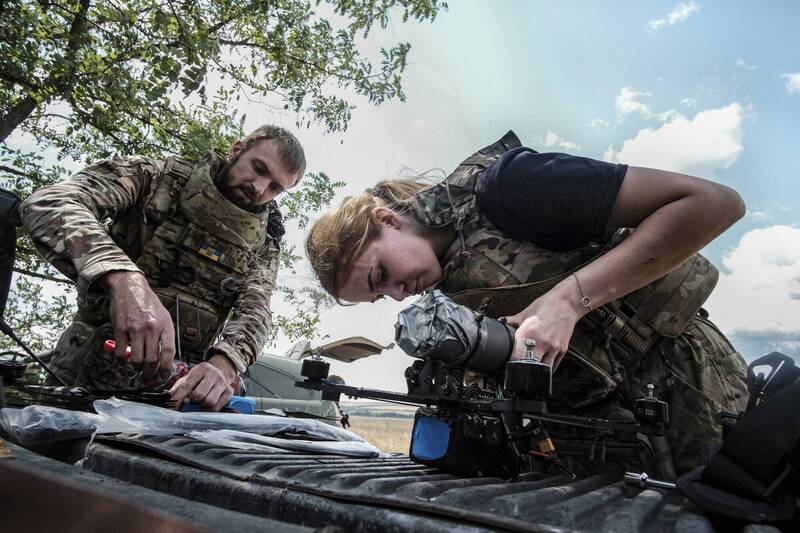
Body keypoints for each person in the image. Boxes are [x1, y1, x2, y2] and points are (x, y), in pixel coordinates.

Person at [305, 131, 749, 475]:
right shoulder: (448, 296)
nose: (398, 293)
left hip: (687, 389)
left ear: (385, 219)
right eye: (380, 295)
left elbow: (713, 203)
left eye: (381, 275)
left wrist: (568, 302)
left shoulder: (510, 188)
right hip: (608, 443)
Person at [21, 125, 305, 411]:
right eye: (258, 168)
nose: (259, 188)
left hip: (174, 396)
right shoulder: (155, 179)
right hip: (82, 377)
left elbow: (256, 311)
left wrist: (225, 364)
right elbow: (50, 203)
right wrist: (124, 280)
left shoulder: (265, 240)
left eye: (275, 187)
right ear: (237, 150)